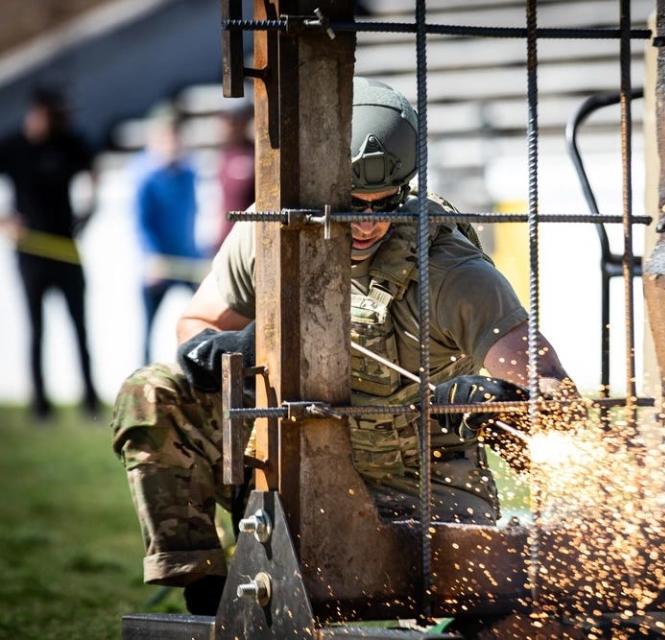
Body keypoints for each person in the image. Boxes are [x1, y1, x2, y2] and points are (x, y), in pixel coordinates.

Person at [110, 78, 574, 614]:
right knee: (151, 392)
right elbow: (193, 324)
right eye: (355, 203)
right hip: (292, 471)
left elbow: (553, 391)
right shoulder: (271, 230)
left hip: (416, 491)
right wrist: (223, 347)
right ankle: (208, 589)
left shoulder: (450, 273)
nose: (372, 222)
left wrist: (490, 400)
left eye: (388, 202)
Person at [0, 88, 100, 420]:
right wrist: (6, 220)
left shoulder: (69, 143)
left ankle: (89, 399)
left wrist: (89, 210)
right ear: (38, 113)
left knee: (80, 326)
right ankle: (40, 404)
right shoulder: (13, 147)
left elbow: (93, 168)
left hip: (66, 249)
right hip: (30, 253)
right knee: (36, 328)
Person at [133, 110, 203, 364]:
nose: (173, 144)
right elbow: (141, 223)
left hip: (187, 262)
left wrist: (198, 256)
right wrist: (151, 257)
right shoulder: (145, 178)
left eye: (176, 138)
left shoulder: (188, 175)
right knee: (148, 330)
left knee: (207, 318)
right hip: (157, 266)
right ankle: (142, 386)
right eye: (167, 138)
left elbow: (192, 217)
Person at [214, 105, 255, 249]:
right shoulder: (224, 155)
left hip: (250, 239)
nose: (227, 126)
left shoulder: (255, 154)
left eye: (232, 121)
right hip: (228, 239)